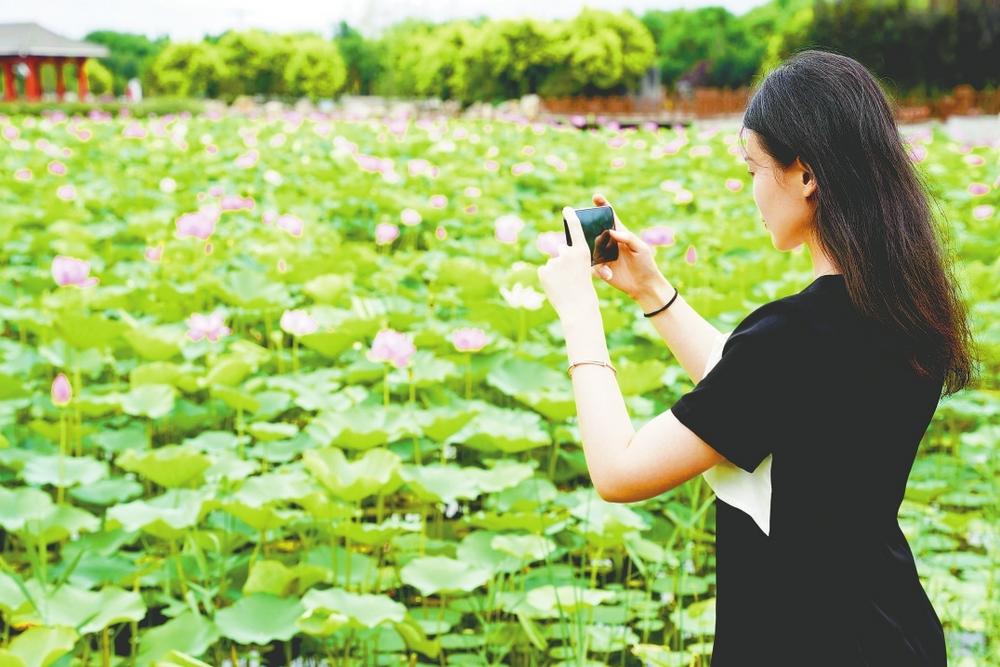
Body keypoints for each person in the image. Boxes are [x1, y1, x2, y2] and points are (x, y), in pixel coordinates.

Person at [537, 49, 979, 666]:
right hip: (895, 631)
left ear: (806, 175)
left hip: (797, 641)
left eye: (753, 168)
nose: (752, 191)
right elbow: (755, 394)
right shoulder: (905, 309)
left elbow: (618, 472)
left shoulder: (791, 338)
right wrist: (652, 292)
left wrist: (580, 316)